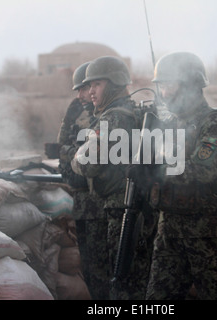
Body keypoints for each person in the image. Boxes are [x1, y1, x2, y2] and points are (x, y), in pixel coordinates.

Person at [145, 52, 217, 300]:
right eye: (161, 85)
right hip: (170, 231)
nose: (163, 93)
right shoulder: (168, 125)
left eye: (168, 85)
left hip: (207, 233)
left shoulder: (213, 125)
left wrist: (156, 168)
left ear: (189, 85)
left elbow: (203, 169)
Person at [71, 56, 157, 300]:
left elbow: (87, 164)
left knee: (122, 280)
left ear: (114, 84)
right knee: (137, 275)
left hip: (122, 208)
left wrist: (75, 158)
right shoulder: (136, 113)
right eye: (89, 86)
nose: (90, 92)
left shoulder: (114, 118)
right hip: (138, 205)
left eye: (96, 85)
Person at [56, 61, 109, 300]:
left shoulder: (108, 114)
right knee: (91, 264)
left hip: (104, 200)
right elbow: (64, 144)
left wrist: (74, 154)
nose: (81, 95)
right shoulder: (77, 109)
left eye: (85, 88)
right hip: (83, 197)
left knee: (106, 266)